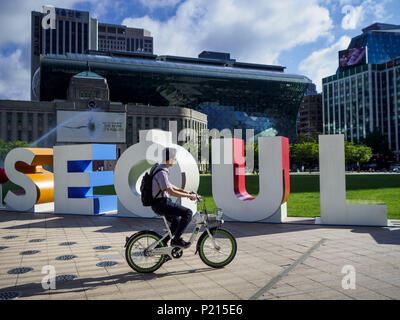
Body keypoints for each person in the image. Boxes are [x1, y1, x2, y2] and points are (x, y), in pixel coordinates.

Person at [151, 147, 197, 248]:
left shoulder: (161, 168)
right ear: (169, 158)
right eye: (174, 158)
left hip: (161, 203)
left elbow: (170, 185)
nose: (175, 160)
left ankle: (162, 243)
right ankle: (176, 240)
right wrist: (189, 196)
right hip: (161, 204)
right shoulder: (162, 172)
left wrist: (186, 191)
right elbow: (170, 191)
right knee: (188, 213)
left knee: (176, 222)